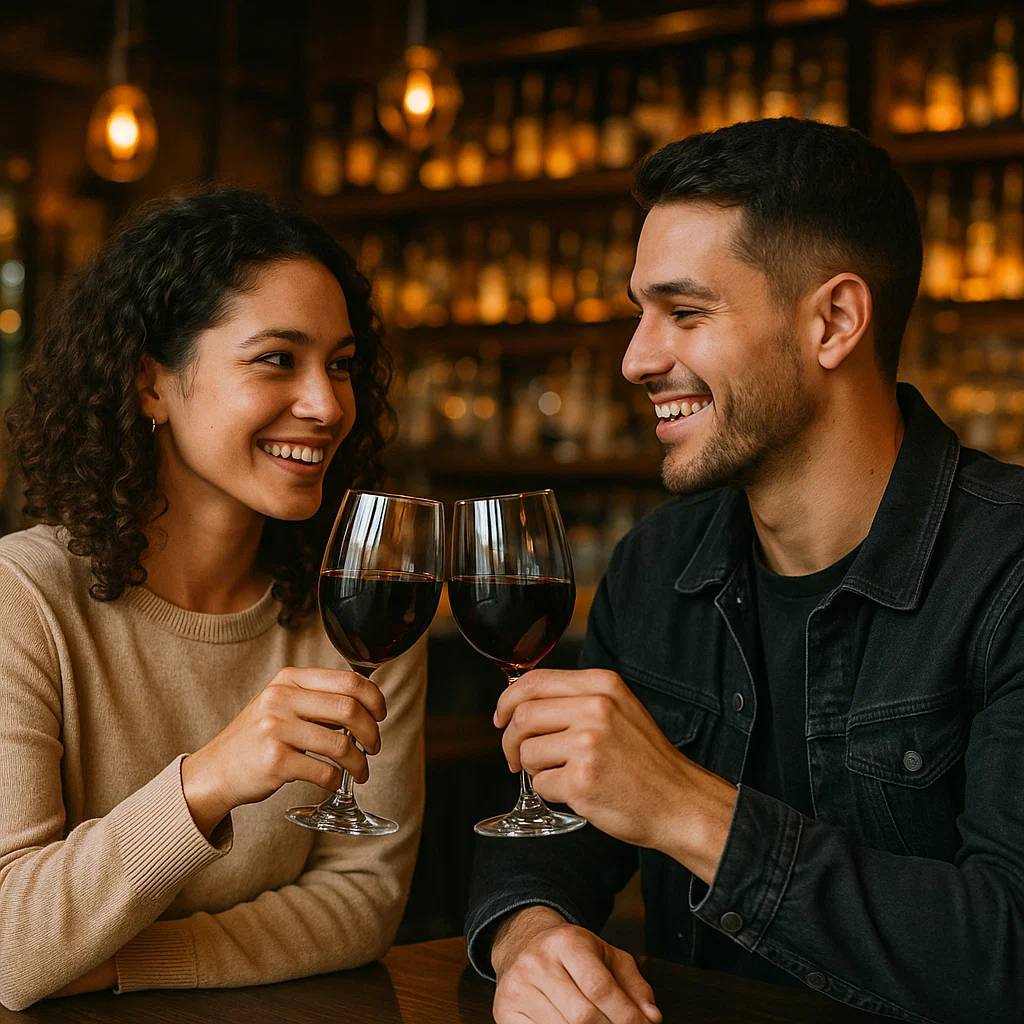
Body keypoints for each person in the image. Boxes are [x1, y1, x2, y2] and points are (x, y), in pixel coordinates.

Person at [466, 116, 1024, 1024]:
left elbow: (1008, 953)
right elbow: (540, 829)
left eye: (685, 313)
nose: (637, 358)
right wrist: (531, 934)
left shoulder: (1008, 571)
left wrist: (686, 807)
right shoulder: (659, 562)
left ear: (834, 321)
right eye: (641, 312)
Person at [0, 186, 426, 1010]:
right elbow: (13, 945)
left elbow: (363, 901)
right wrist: (207, 783)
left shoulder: (360, 612)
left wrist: (130, 963)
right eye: (277, 358)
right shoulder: (23, 599)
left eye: (340, 365)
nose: (328, 405)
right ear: (150, 385)